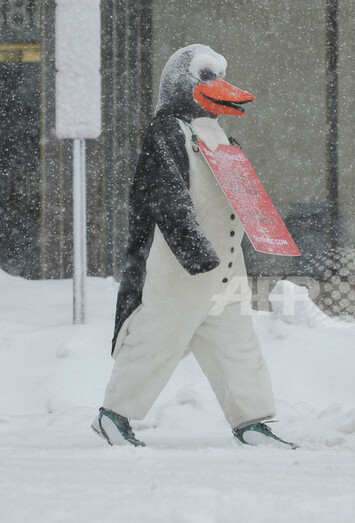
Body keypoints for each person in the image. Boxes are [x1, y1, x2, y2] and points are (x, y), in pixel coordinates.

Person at [91, 44, 294, 448]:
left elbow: (237, 199)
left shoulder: (220, 137)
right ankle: (113, 416)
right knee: (157, 339)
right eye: (205, 78)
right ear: (181, 84)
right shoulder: (168, 131)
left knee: (237, 345)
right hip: (177, 268)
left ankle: (251, 421)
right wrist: (195, 252)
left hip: (225, 267)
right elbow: (167, 197)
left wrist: (260, 234)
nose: (218, 87)